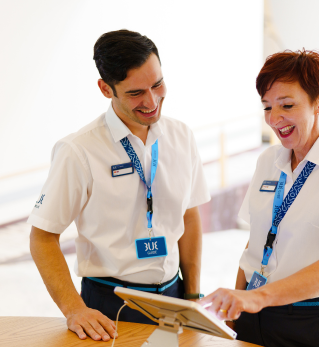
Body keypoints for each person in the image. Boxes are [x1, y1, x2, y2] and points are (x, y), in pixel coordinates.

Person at [28, 29, 210, 342]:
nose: (152, 101)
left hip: (174, 298)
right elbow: (43, 237)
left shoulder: (182, 136)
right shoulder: (79, 151)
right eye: (136, 92)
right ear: (105, 88)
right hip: (110, 304)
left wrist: (192, 293)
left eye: (157, 84)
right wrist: (74, 308)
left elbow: (189, 215)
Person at [200, 49, 319, 347]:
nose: (275, 118)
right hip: (253, 315)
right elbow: (256, 243)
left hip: (313, 322)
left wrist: (255, 298)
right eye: (267, 107)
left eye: (287, 105)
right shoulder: (268, 159)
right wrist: (237, 307)